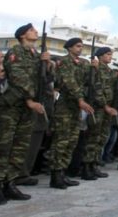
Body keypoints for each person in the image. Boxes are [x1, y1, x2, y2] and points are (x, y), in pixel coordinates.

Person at [0, 24, 50, 205]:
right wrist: (30, 99)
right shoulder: (15, 52)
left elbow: (44, 80)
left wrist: (46, 63)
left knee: (20, 148)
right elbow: (18, 77)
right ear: (23, 35)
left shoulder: (35, 55)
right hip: (13, 106)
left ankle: (10, 183)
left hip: (27, 109)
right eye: (32, 30)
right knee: (4, 147)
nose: (36, 33)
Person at [48, 37, 94, 188]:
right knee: (61, 141)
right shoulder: (64, 62)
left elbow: (88, 80)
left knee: (72, 141)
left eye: (81, 46)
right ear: (69, 48)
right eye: (77, 46)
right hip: (65, 106)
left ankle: (63, 172)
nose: (80, 49)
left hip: (76, 108)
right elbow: (69, 82)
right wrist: (80, 100)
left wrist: (94, 68)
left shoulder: (82, 63)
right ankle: (55, 175)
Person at [82, 46, 117, 180]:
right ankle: (86, 167)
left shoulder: (109, 70)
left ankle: (94, 165)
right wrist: (105, 105)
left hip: (107, 108)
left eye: (110, 54)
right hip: (98, 108)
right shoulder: (95, 69)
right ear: (101, 56)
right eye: (108, 54)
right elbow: (96, 88)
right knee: (93, 138)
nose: (110, 57)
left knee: (101, 138)